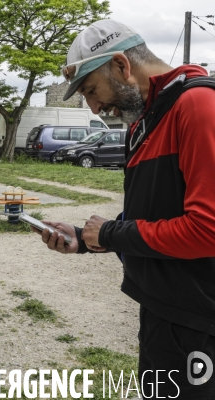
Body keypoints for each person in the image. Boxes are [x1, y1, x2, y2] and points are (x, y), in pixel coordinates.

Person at [34, 19, 215, 397]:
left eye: (91, 90)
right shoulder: (144, 122)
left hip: (198, 322)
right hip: (161, 311)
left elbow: (207, 230)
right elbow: (152, 218)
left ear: (121, 65)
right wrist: (88, 239)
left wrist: (112, 233)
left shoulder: (198, 105)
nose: (95, 107)